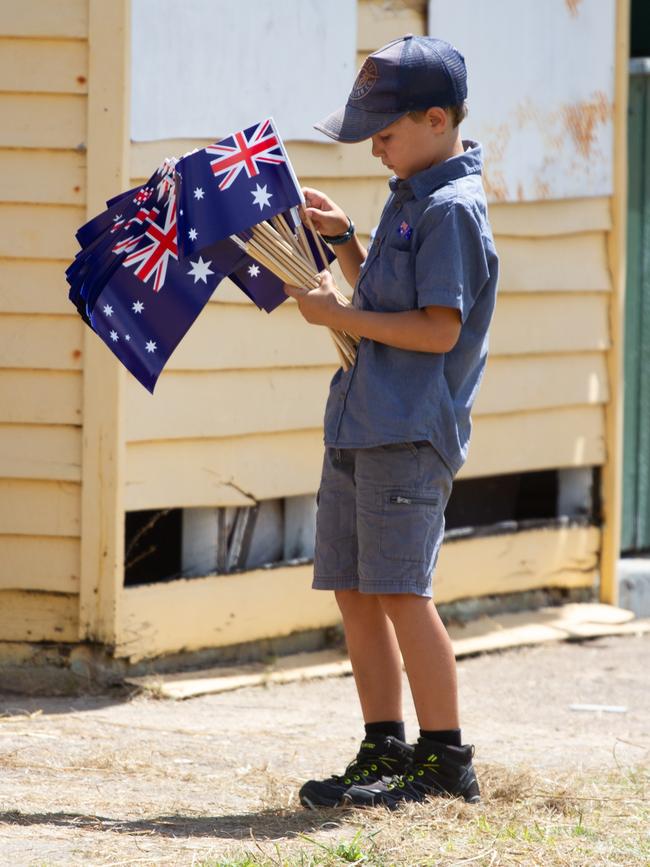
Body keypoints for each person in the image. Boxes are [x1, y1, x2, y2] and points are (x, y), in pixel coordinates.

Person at [284, 35, 499, 810]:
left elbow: (438, 329)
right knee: (354, 587)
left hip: (408, 432)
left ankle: (445, 760)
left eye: (384, 132)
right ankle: (386, 745)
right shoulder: (410, 193)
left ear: (436, 119)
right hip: (362, 420)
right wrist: (346, 246)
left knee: (403, 591)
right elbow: (391, 304)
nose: (375, 148)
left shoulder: (450, 210)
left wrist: (338, 314)